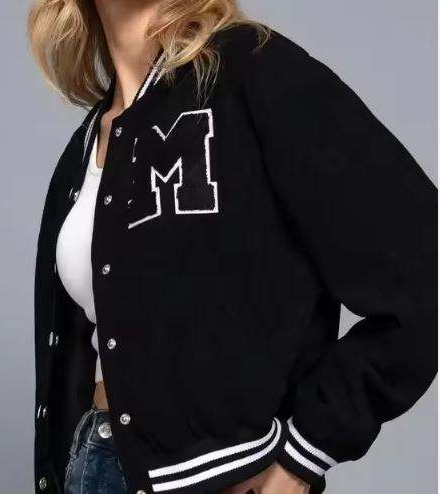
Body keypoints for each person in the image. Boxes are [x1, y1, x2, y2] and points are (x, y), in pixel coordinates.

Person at [27, 0, 437, 493]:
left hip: (227, 478)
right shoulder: (83, 149)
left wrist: (303, 456)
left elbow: (423, 266)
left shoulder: (252, 69)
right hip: (96, 465)